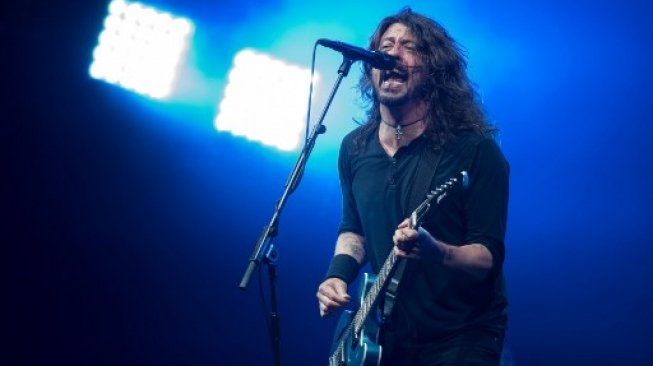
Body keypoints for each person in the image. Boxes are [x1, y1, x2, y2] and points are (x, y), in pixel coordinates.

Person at [316, 7, 509, 366]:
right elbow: (353, 229)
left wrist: (437, 252)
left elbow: (488, 256)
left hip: (461, 335)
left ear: (435, 69)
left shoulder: (473, 150)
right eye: (386, 45)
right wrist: (337, 277)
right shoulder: (355, 147)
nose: (392, 53)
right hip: (388, 335)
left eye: (409, 47)